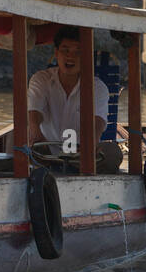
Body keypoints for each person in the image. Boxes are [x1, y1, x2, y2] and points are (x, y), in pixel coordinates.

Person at [27, 26, 123, 173]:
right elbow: (34, 111)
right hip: (45, 152)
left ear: (86, 56)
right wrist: (35, 131)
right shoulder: (41, 79)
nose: (70, 56)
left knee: (113, 153)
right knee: (17, 138)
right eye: (65, 50)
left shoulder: (98, 87)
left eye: (77, 52)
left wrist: (91, 143)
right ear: (56, 53)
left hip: (82, 155)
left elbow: (98, 121)